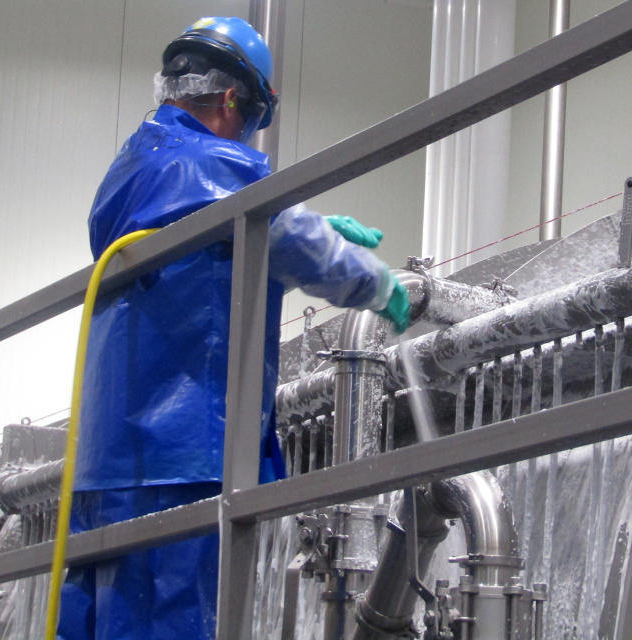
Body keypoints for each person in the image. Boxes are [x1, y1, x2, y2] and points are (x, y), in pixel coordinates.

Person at [56, 16, 410, 640]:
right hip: (185, 457)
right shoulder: (215, 163)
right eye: (252, 119)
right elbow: (295, 243)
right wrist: (380, 286)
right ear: (230, 100)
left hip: (105, 462)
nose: (250, 135)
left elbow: (232, 235)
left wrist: (307, 219)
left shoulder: (136, 166)